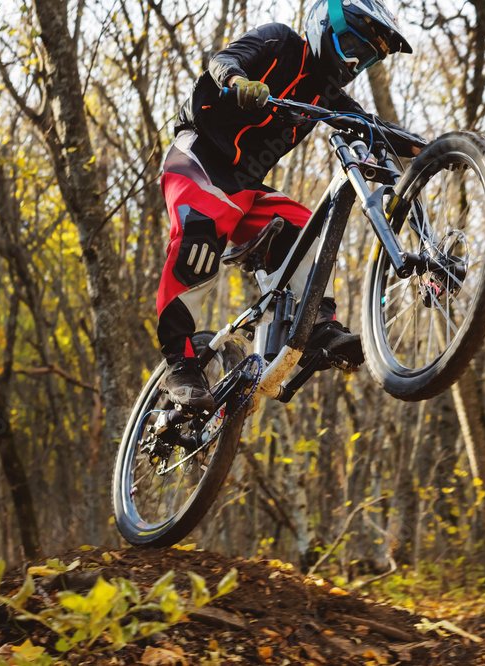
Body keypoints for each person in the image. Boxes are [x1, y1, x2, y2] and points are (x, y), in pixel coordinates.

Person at [157, 0, 421, 411]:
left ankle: (317, 324)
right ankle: (180, 365)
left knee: (307, 224)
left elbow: (371, 126)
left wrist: (429, 148)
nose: (355, 61)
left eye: (366, 58)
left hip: (245, 190)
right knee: (201, 227)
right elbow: (223, 60)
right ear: (324, 26)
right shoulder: (280, 41)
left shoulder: (329, 95)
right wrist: (238, 81)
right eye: (354, 45)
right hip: (197, 155)